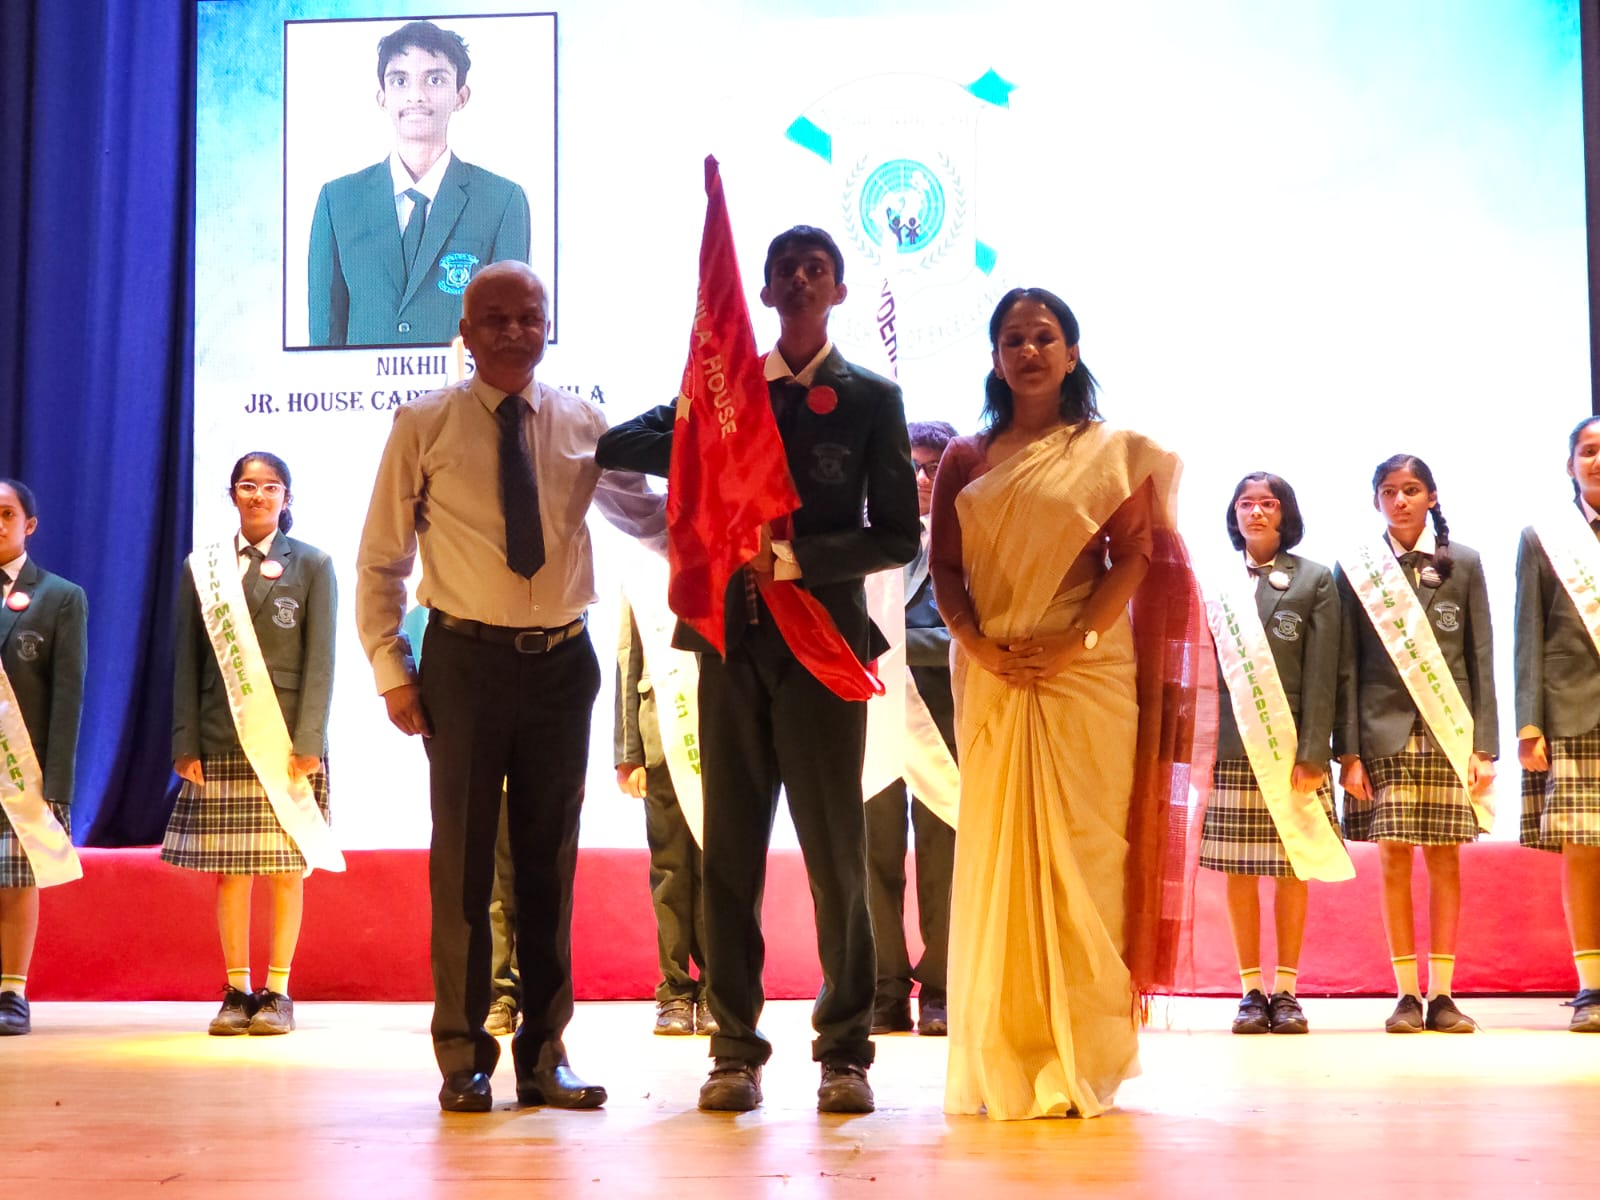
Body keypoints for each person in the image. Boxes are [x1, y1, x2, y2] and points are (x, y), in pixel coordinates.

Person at [595, 225, 919, 1114]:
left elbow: (898, 534)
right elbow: (619, 448)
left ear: (838, 291)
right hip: (731, 646)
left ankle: (844, 1051)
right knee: (729, 856)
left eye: (818, 270)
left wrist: (801, 560)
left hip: (823, 648)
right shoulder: (728, 394)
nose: (801, 281)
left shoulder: (872, 399)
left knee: (837, 858)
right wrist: (701, 399)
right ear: (766, 294)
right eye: (785, 271)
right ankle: (733, 1048)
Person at [356, 260, 665, 1113]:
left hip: (563, 666)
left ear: (547, 324)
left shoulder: (585, 422)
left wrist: (730, 532)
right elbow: (381, 559)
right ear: (464, 331)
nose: (513, 332)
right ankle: (463, 1055)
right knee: (461, 865)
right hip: (464, 665)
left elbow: (647, 518)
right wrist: (391, 669)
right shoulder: (422, 423)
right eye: (494, 318)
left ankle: (544, 1055)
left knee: (547, 865)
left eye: (529, 316)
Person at [929, 287, 1198, 1120]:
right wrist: (978, 645)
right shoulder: (966, 458)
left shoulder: (1107, 452)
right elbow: (945, 569)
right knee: (1000, 860)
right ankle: (1007, 1049)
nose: (1029, 351)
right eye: (1013, 338)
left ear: (1072, 353)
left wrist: (1072, 641)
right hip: (995, 672)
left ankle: (1084, 1052)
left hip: (1085, 673)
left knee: (1085, 857)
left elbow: (1133, 557)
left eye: (1045, 337)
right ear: (995, 356)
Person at [164, 452, 336, 1037]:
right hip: (220, 734)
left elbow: (321, 662)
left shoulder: (313, 564)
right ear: (232, 494)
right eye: (246, 485)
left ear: (286, 497)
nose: (258, 495)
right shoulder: (204, 567)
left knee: (287, 870)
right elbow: (186, 661)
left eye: (270, 487)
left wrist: (310, 739)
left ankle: (278, 992)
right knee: (231, 871)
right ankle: (236, 992)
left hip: (285, 740)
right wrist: (185, 740)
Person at [1336, 454, 1497, 1034]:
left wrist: (1484, 746)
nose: (1399, 500)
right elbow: (1347, 666)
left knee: (1446, 857)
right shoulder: (1358, 569)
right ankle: (1406, 994)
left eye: (1410, 490)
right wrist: (1348, 752)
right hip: (1382, 734)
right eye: (1388, 491)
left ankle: (1444, 994)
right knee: (1393, 858)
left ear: (1431, 496)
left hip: (1449, 733)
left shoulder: (1465, 563)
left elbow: (1481, 657)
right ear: (1376, 500)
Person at [1200, 473, 1345, 1036]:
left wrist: (1314, 753)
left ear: (1285, 513)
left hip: (1291, 753)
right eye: (1246, 503)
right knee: (1238, 872)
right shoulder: (1215, 582)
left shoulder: (1314, 579)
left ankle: (1286, 991)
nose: (1256, 512)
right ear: (1234, 514)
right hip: (1231, 748)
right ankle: (1249, 992)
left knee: (1291, 869)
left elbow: (1324, 674)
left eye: (1267, 503)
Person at [307, 20, 532, 347]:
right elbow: (324, 339)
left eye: (435, 79)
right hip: (363, 383)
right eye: (400, 81)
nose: (416, 96)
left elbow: (510, 337)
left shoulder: (501, 201)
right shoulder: (338, 201)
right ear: (382, 97)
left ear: (461, 96)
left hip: (462, 382)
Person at [866, 419, 958, 1038]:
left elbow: (969, 637)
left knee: (943, 858)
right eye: (911, 466)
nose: (921, 479)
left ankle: (943, 988)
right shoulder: (867, 538)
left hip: (944, 721)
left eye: (933, 467)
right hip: (871, 717)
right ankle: (883, 987)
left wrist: (895, 646)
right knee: (871, 857)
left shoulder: (971, 542)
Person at [1514, 416, 1600, 1032]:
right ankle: (1591, 986)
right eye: (1588, 451)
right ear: (1570, 465)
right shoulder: (1543, 537)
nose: (1598, 460)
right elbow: (1529, 633)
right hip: (1572, 712)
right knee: (1583, 851)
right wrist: (1529, 723)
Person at [0, 480, 87, 1036]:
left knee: (15, 878)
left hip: (20, 769)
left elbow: (67, 698)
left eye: (6, 514)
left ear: (29, 524)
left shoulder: (59, 597)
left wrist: (56, 782)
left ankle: (12, 992)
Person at [614, 601, 712, 1036]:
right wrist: (628, 753)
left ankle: (716, 990)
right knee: (670, 869)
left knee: (717, 869)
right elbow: (627, 659)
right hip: (661, 740)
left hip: (719, 732)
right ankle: (674, 990)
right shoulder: (641, 572)